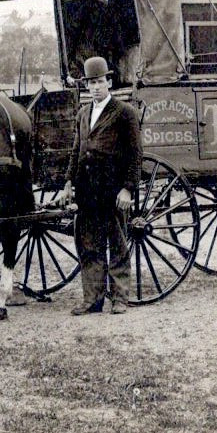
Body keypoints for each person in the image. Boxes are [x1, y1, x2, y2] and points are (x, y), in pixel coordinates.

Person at [58, 56, 142, 316]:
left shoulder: (124, 112)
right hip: (87, 192)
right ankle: (92, 299)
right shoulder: (83, 114)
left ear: (109, 81)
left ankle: (119, 298)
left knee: (117, 244)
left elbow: (135, 154)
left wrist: (128, 188)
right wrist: (68, 182)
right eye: (90, 83)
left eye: (99, 82)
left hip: (113, 190)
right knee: (88, 245)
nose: (95, 87)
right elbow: (76, 151)